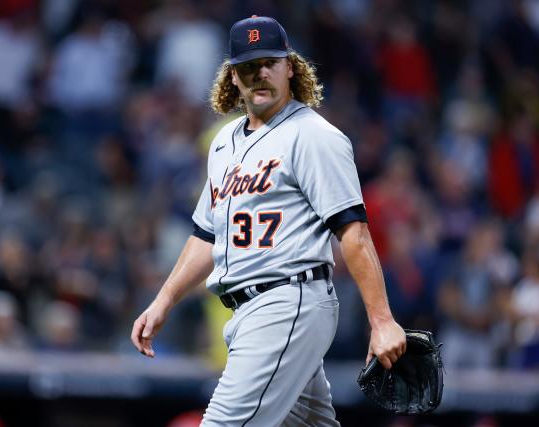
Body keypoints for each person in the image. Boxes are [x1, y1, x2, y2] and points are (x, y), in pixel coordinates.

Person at [131, 15, 406, 426]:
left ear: (290, 67)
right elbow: (207, 234)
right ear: (234, 78)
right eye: (248, 67)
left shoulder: (313, 135)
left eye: (269, 63)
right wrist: (164, 300)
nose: (259, 74)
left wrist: (381, 320)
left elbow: (354, 231)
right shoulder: (224, 142)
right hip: (247, 314)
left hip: (287, 302)